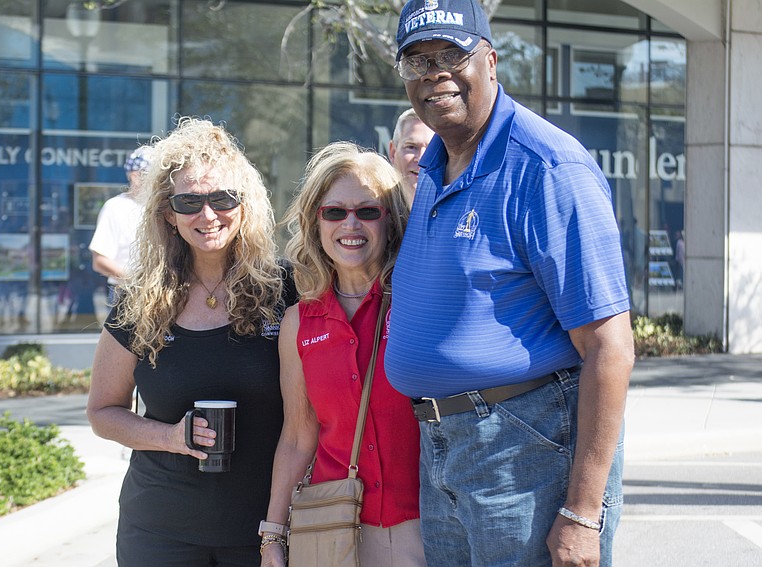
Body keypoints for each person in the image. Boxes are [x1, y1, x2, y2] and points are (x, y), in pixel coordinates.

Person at [385, 2, 635, 566]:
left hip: (524, 450)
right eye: (417, 60)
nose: (434, 72)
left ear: (491, 62)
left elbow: (610, 347)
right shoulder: (435, 165)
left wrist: (581, 513)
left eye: (453, 54)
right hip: (445, 446)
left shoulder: (547, 168)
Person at [86, 116, 296, 567]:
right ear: (167, 212)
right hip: (159, 530)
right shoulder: (140, 302)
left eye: (222, 198)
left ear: (245, 205)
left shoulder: (285, 290)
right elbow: (103, 413)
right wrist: (170, 437)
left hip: (264, 530)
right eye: (190, 201)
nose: (207, 214)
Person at [259, 142, 425, 567]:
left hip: (425, 525)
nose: (350, 224)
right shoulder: (298, 322)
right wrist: (272, 535)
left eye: (368, 211)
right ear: (316, 222)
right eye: (335, 212)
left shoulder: (419, 302)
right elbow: (298, 437)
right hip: (333, 530)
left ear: (391, 221)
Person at [89, 146, 153, 302]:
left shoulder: (164, 206)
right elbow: (99, 261)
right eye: (150, 174)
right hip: (126, 292)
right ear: (134, 175)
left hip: (163, 290)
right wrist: (138, 281)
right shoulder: (115, 207)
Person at [388, 108, 435, 201]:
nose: (421, 159)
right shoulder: (375, 208)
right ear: (393, 152)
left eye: (431, 149)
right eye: (411, 147)